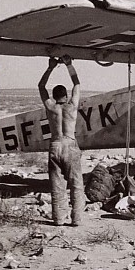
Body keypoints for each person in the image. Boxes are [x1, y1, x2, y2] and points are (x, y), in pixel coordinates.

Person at [38, 55, 85, 226]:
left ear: (54, 96)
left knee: (57, 186)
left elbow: (41, 86)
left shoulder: (51, 107)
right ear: (65, 95)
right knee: (76, 184)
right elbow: (77, 85)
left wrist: (50, 67)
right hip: (70, 144)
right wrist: (69, 65)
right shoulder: (71, 107)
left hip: (55, 144)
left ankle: (58, 219)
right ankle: (76, 219)